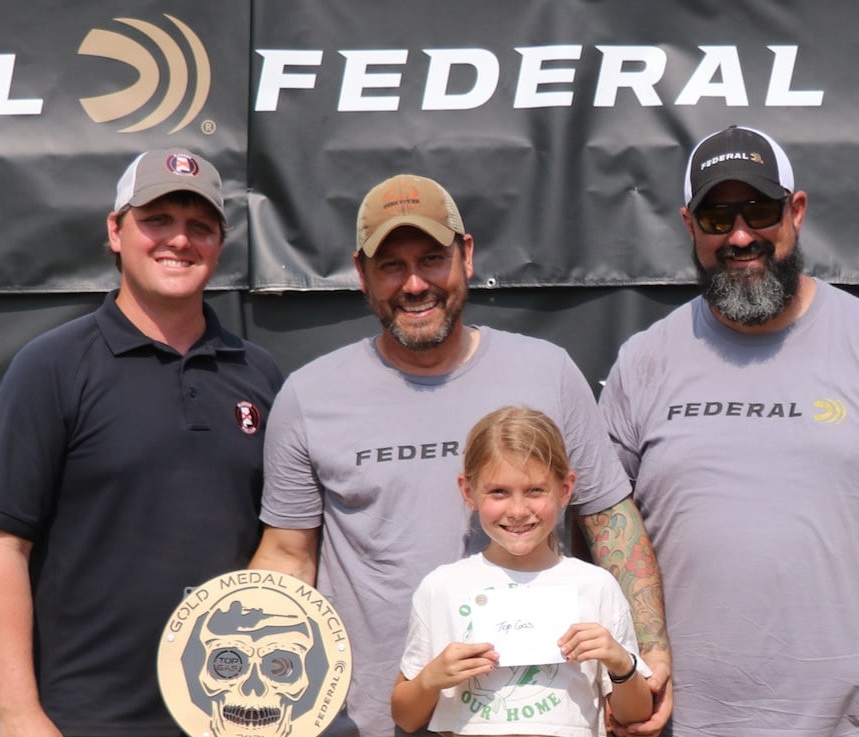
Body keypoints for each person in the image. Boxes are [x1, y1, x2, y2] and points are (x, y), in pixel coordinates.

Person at [598, 124, 859, 736]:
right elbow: (601, 521)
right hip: (687, 723)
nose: (740, 236)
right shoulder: (643, 363)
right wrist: (619, 672)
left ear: (797, 211)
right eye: (717, 218)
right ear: (689, 226)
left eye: (759, 211)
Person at [249, 173, 671, 737]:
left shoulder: (548, 372)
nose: (414, 283)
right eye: (391, 265)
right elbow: (287, 556)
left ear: (466, 255)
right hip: (366, 718)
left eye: (432, 259)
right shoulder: (309, 395)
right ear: (361, 273)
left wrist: (646, 656)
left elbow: (608, 518)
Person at [0, 148, 284, 737]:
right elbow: (3, 547)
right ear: (115, 230)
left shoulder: (260, 374)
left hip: (232, 714)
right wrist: (21, 714)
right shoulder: (51, 367)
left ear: (220, 243)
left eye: (200, 226)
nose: (179, 240)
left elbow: (284, 548)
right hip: (87, 719)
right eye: (157, 220)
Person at [393, 406, 653, 736]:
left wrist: (619, 662)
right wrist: (431, 678)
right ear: (469, 492)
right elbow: (405, 716)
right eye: (499, 492)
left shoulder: (596, 586)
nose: (518, 510)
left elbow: (635, 715)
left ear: (565, 489)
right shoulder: (441, 588)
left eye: (535, 490)